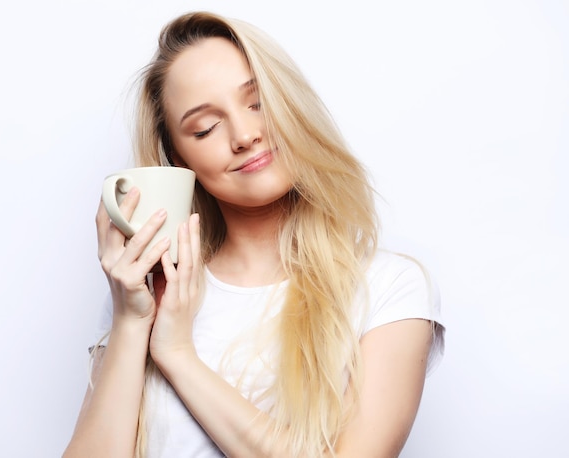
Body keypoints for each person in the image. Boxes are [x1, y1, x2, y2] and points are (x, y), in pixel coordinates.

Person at [63, 10, 445, 458]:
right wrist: (132, 321)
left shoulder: (387, 287)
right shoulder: (143, 296)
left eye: (258, 102)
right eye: (205, 128)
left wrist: (178, 355)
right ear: (178, 159)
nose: (244, 135)